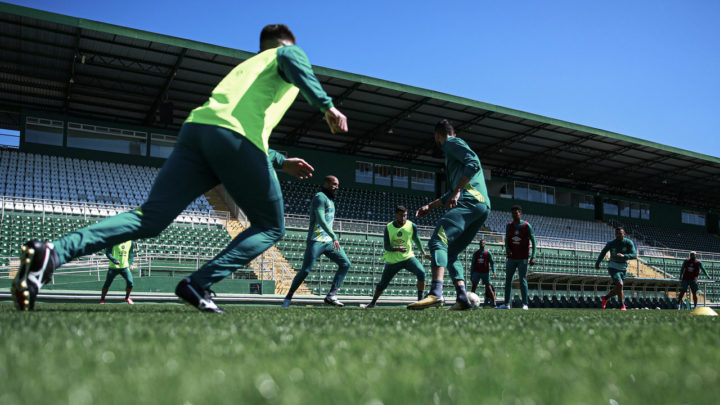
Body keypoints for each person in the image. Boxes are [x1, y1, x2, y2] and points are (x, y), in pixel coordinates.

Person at [11, 24, 349, 312]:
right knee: (271, 226)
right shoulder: (287, 53)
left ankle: (54, 253)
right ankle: (199, 283)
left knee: (150, 218)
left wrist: (278, 160)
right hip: (237, 140)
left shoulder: (248, 67)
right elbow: (283, 73)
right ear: (286, 43)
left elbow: (229, 121)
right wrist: (327, 107)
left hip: (197, 133)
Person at [408, 119, 491, 311]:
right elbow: (453, 190)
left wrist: (457, 192)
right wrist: (431, 205)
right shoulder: (452, 155)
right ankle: (462, 298)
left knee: (438, 240)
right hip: (481, 206)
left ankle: (436, 293)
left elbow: (474, 163)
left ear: (438, 135)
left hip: (471, 200)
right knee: (451, 252)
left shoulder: (452, 143)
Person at [282, 176, 352, 307]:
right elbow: (320, 220)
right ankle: (288, 296)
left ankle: (331, 296)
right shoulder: (319, 197)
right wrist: (334, 236)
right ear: (326, 183)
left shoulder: (331, 199)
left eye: (337, 185)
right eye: (334, 184)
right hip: (316, 240)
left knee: (346, 264)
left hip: (328, 242)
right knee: (306, 270)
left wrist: (331, 237)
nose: (336, 187)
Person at [362, 205, 431, 308]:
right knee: (383, 284)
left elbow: (416, 239)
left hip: (408, 257)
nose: (403, 218)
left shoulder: (412, 226)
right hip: (393, 260)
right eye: (401, 215)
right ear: (395, 215)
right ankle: (373, 302)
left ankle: (419, 302)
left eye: (405, 216)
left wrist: (423, 253)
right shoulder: (388, 227)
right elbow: (386, 246)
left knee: (421, 272)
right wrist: (397, 248)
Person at [496, 206, 536, 310]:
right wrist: (507, 249)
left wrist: (533, 256)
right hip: (511, 258)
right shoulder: (509, 225)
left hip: (523, 258)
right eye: (513, 213)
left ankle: (525, 304)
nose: (514, 215)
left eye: (516, 213)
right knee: (508, 280)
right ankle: (507, 304)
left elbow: (534, 241)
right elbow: (507, 239)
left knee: (522, 280)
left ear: (520, 214)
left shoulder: (527, 226)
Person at [596, 227, 636, 311]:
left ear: (624, 234)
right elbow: (603, 252)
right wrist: (597, 263)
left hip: (623, 267)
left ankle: (606, 298)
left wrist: (624, 256)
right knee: (620, 285)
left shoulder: (628, 243)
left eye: (620, 233)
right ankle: (622, 305)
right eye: (617, 233)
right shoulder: (611, 243)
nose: (618, 235)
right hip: (613, 266)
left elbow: (634, 255)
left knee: (618, 287)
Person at [100, 240, 137, 304]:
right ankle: (102, 299)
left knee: (130, 282)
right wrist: (114, 260)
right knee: (107, 284)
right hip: (113, 267)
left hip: (124, 267)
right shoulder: (113, 240)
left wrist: (131, 264)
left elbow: (131, 254)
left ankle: (127, 298)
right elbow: (108, 253)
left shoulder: (130, 242)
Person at [470, 239, 496, 307]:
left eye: (483, 243)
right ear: (479, 244)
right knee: (473, 287)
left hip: (485, 273)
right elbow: (473, 264)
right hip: (477, 272)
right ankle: (470, 302)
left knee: (489, 288)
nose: (482, 244)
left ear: (485, 244)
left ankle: (494, 303)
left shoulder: (488, 253)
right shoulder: (476, 253)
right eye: (481, 243)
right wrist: (471, 273)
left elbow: (492, 263)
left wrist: (494, 271)